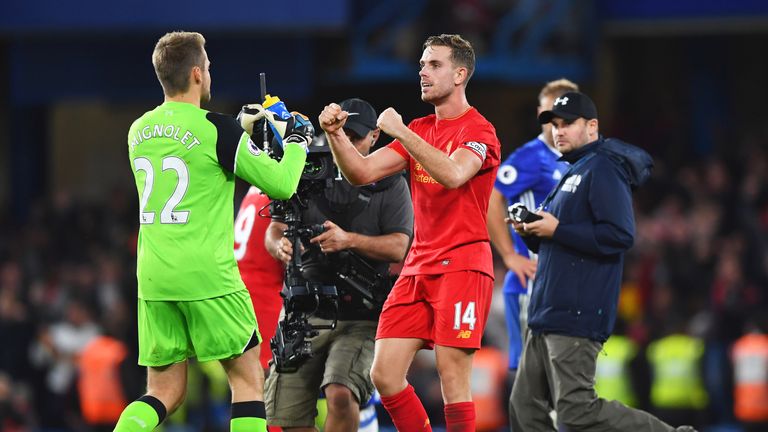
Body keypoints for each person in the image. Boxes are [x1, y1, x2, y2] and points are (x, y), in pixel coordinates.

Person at [117, 31, 311, 432]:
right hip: (208, 275)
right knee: (247, 380)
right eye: (207, 66)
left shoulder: (138, 130)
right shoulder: (218, 130)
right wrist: (297, 141)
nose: (209, 73)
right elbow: (282, 184)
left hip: (154, 277)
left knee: (164, 392)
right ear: (196, 74)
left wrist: (237, 133)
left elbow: (188, 154)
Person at [319, 34, 501, 431]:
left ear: (460, 74)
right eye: (421, 65)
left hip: (463, 266)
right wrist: (334, 134)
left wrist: (401, 132)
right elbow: (361, 172)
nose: (423, 72)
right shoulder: (420, 128)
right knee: (384, 375)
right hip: (418, 267)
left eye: (434, 65)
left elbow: (454, 174)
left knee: (453, 379)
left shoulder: (479, 131)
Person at [507, 90, 697, 432]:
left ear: (592, 126)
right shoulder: (574, 170)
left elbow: (619, 235)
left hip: (575, 313)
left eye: (568, 124)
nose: (559, 131)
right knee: (525, 408)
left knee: (576, 410)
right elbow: (559, 241)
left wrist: (557, 229)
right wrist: (532, 230)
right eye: (555, 125)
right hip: (548, 311)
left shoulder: (604, 168)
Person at [264, 97, 414, 432]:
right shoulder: (306, 168)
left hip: (361, 313)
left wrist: (349, 240)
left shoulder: (389, 181)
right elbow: (274, 228)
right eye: (342, 133)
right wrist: (280, 245)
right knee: (287, 418)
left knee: (341, 394)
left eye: (355, 137)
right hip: (305, 307)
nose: (345, 141)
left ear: (375, 136)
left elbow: (399, 246)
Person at [486, 78, 578, 417]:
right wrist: (510, 256)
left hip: (562, 283)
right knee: (536, 380)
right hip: (533, 284)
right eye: (550, 113)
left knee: (563, 379)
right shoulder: (530, 157)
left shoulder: (574, 159)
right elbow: (491, 200)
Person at [234, 187, 284, 372]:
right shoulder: (283, 189)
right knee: (264, 378)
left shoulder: (256, 188)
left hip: (240, 295)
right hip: (266, 301)